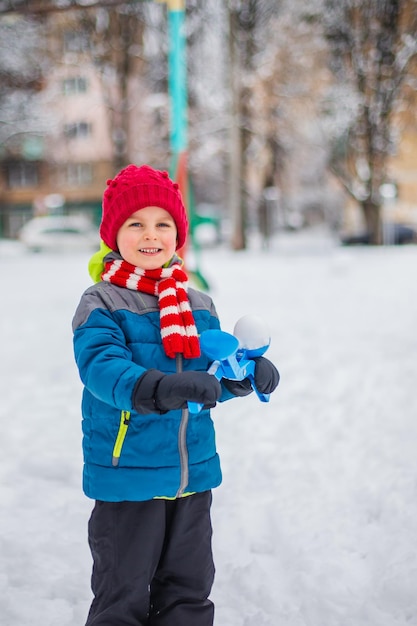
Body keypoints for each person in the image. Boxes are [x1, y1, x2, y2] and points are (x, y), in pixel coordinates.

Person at [72, 164, 280, 626]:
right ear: (113, 234)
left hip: (193, 475)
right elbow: (101, 370)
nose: (151, 235)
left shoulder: (197, 303)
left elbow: (207, 376)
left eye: (162, 223)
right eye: (136, 223)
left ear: (178, 233)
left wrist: (242, 377)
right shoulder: (102, 302)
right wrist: (162, 388)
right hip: (129, 475)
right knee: (120, 596)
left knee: (188, 592)